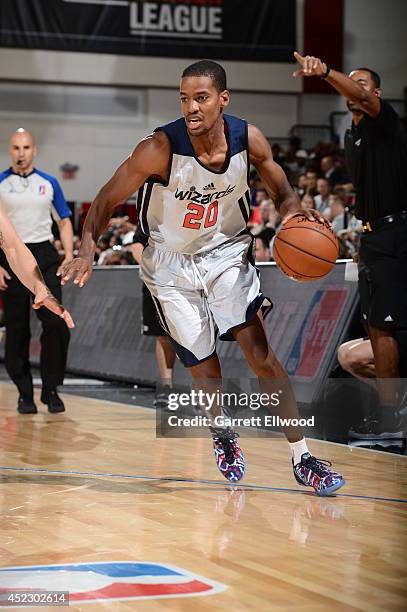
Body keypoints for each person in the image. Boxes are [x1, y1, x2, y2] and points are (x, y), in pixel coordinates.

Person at [60, 60, 345, 495]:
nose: (191, 107)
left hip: (226, 252)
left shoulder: (248, 139)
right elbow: (104, 199)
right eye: (185, 98)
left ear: (223, 99)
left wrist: (291, 216)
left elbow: (283, 191)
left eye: (202, 98)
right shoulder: (158, 147)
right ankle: (222, 431)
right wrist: (85, 247)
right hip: (170, 264)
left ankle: (302, 456)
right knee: (204, 365)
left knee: (261, 355)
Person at [293, 52, 407, 439]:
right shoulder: (350, 134)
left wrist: (324, 72)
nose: (356, 89)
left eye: (362, 84)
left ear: (375, 92)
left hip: (397, 233)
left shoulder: (385, 119)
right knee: (374, 326)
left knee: (386, 327)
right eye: (351, 82)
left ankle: (392, 419)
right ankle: (392, 411)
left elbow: (365, 100)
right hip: (373, 234)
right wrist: (361, 234)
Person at [0, 129, 73, 414]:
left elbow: (64, 221)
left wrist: (68, 255)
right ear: (10, 150)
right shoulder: (1, 183)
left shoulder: (49, 182)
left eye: (26, 147)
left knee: (56, 323)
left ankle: (51, 388)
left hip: (43, 255)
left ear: (34, 150)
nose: (21, 152)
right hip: (9, 256)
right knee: (17, 329)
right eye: (16, 147)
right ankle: (24, 393)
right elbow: (8, 241)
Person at [129, 225, 176, 408]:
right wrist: (152, 270)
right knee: (162, 335)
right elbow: (137, 245)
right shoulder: (151, 214)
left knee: (194, 335)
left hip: (187, 279)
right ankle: (167, 386)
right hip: (156, 283)